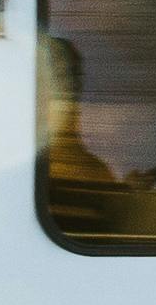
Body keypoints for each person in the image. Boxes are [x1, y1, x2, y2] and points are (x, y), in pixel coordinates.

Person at [34, 35, 125, 234]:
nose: (71, 88)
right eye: (59, 75)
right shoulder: (82, 169)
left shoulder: (92, 169)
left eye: (73, 76)